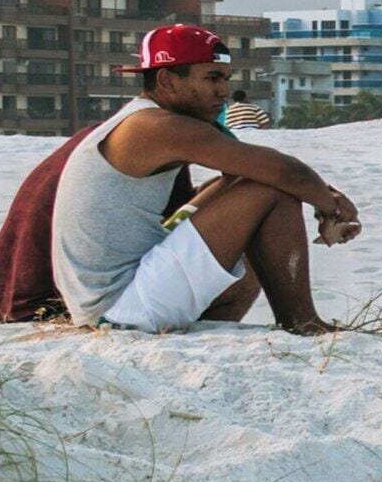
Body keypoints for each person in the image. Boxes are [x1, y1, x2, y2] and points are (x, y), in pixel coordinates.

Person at [56, 24, 363, 334]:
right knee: (267, 189)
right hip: (121, 308)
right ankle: (304, 323)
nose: (223, 91)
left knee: (233, 188)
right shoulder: (154, 125)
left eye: (225, 79)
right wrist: (331, 207)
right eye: (211, 78)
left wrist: (320, 194)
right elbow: (285, 172)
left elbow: (244, 171)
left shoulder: (144, 118)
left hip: (114, 302)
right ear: (166, 80)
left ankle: (237, 320)